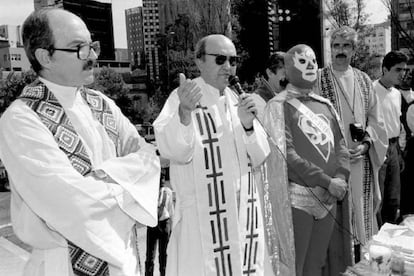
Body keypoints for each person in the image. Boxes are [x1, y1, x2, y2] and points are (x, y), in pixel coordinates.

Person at [0, 8, 160, 276]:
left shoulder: (101, 103)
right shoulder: (21, 120)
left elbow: (147, 156)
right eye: (79, 48)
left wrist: (101, 180)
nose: (94, 56)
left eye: (92, 46)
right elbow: (71, 204)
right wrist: (131, 186)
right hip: (62, 265)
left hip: (126, 257)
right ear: (45, 56)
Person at [153, 34, 272, 276]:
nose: (228, 67)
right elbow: (172, 151)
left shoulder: (238, 99)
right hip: (202, 221)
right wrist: (185, 114)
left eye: (233, 60)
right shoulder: (182, 97)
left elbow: (260, 156)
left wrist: (249, 126)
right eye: (220, 59)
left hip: (243, 216)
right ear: (199, 61)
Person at [263, 44, 349, 276]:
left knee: (317, 264)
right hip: (297, 200)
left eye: (313, 61)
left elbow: (341, 147)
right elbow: (285, 156)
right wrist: (326, 181)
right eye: (302, 62)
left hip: (329, 198)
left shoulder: (326, 105)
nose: (310, 66)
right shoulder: (277, 107)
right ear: (287, 68)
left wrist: (340, 178)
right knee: (294, 267)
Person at [316, 26, 387, 274]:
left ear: (354, 50)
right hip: (333, 166)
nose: (340, 51)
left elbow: (376, 121)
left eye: (346, 46)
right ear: (330, 49)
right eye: (336, 46)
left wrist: (367, 144)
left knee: (363, 222)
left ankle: (364, 269)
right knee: (337, 225)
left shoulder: (364, 80)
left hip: (362, 162)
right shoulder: (317, 80)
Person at [373, 51, 409, 225]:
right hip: (377, 146)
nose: (402, 74)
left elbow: (399, 124)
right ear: (385, 69)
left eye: (404, 70)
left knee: (394, 197)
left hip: (394, 147)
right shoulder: (371, 90)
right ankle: (378, 237)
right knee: (377, 196)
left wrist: (399, 152)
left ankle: (390, 236)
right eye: (397, 70)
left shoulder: (397, 94)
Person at [145, 167, 174, 276]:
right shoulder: (150, 193)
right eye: (159, 178)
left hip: (164, 223)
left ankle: (164, 273)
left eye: (163, 178)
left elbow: (171, 211)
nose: (161, 181)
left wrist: (171, 228)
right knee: (150, 255)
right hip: (152, 224)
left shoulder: (168, 192)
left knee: (164, 254)